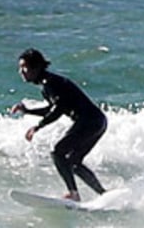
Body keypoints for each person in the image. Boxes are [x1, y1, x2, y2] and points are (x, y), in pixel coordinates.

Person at [12, 47, 108, 200]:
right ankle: (104, 194)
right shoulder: (47, 83)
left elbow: (58, 109)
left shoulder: (50, 83)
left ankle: (73, 193)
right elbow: (52, 108)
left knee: (58, 152)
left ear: (36, 67)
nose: (21, 71)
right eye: (20, 68)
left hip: (89, 121)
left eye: (24, 67)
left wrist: (38, 127)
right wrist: (28, 110)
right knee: (74, 162)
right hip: (98, 121)